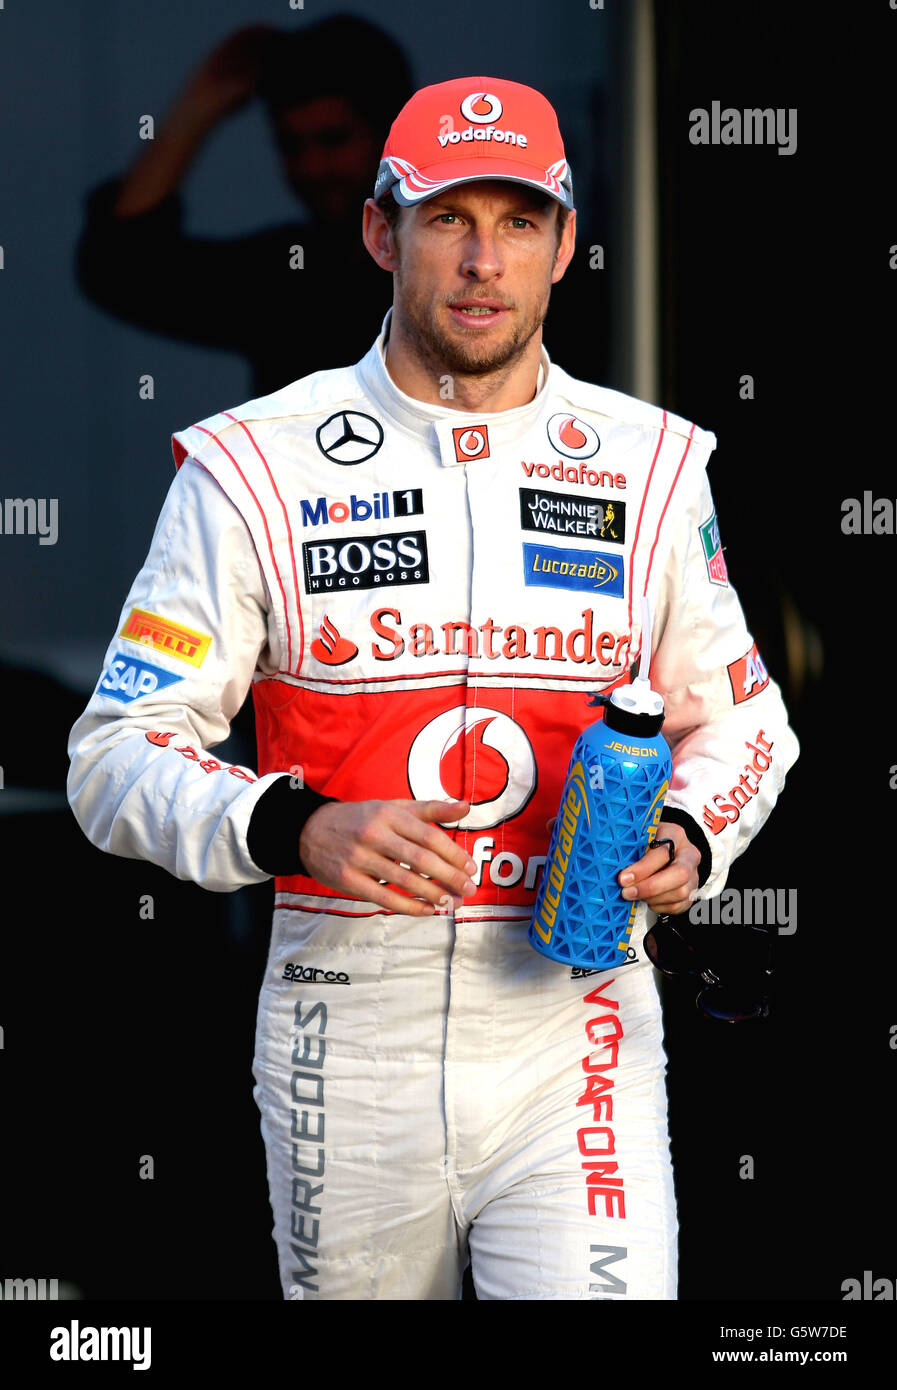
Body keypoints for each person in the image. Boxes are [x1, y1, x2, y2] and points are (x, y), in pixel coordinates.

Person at [67, 76, 799, 1301]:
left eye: (518, 221)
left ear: (566, 242)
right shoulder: (252, 465)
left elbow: (745, 719)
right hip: (343, 1038)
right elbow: (113, 755)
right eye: (447, 217)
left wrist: (688, 833)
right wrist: (289, 821)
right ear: (378, 232)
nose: (482, 260)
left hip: (578, 1023)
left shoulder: (653, 464)